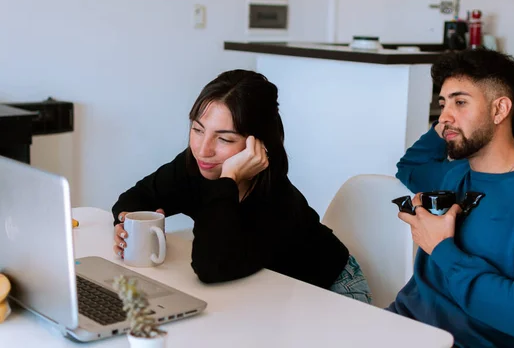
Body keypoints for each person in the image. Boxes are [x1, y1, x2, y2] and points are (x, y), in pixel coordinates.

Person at [111, 69, 372, 304]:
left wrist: (229, 178)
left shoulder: (277, 202)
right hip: (265, 291)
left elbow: (209, 268)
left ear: (257, 145)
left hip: (331, 289)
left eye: (224, 138)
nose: (203, 149)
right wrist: (124, 224)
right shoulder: (195, 164)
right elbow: (135, 197)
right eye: (198, 129)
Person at [388, 49, 514, 347]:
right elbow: (410, 168)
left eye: (460, 102)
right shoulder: (453, 175)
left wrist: (441, 248)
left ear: (499, 110)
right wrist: (449, 124)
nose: (444, 115)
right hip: (400, 326)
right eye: (442, 104)